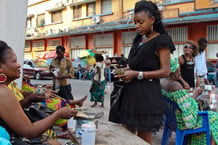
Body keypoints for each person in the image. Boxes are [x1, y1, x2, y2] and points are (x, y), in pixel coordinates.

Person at [109, 1, 175, 143]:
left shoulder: (161, 41)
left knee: (143, 139)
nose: (137, 26)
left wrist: (137, 74)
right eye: (135, 23)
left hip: (147, 96)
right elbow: (136, 65)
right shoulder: (139, 40)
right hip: (130, 94)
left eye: (140, 22)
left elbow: (165, 71)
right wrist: (125, 71)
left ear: (152, 20)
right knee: (126, 135)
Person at [0, 40, 77, 145]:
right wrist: (58, 114)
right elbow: (28, 131)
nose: (19, 65)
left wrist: (34, 96)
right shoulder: (2, 92)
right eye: (14, 61)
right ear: (0, 67)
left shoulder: (7, 88)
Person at [160, 57, 218, 145]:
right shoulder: (176, 86)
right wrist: (196, 93)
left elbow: (182, 102)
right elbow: (188, 110)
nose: (180, 73)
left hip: (171, 120)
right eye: (178, 70)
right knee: (214, 117)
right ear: (173, 72)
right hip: (182, 122)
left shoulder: (163, 82)